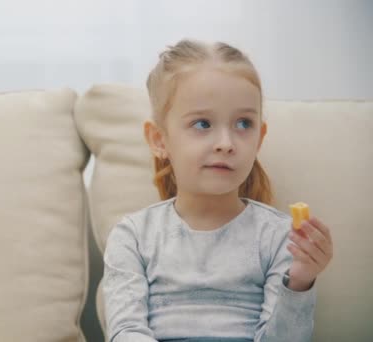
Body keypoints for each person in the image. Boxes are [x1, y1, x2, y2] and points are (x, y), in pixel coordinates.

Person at [102, 39, 334, 342]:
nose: (226, 142)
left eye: (243, 123)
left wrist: (300, 282)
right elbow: (125, 332)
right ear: (159, 139)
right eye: (202, 124)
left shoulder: (280, 238)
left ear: (259, 138)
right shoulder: (133, 237)